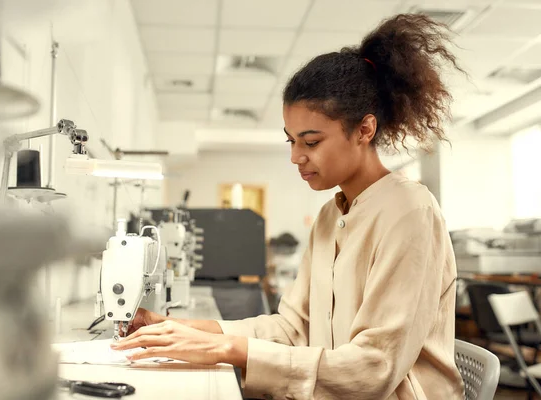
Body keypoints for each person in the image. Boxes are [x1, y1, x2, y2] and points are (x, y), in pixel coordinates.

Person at [111, 13, 465, 400]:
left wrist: (227, 349)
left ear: (365, 130)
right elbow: (291, 329)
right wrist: (179, 326)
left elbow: (373, 368)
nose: (296, 157)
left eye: (311, 142)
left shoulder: (410, 211)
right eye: (291, 141)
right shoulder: (332, 215)